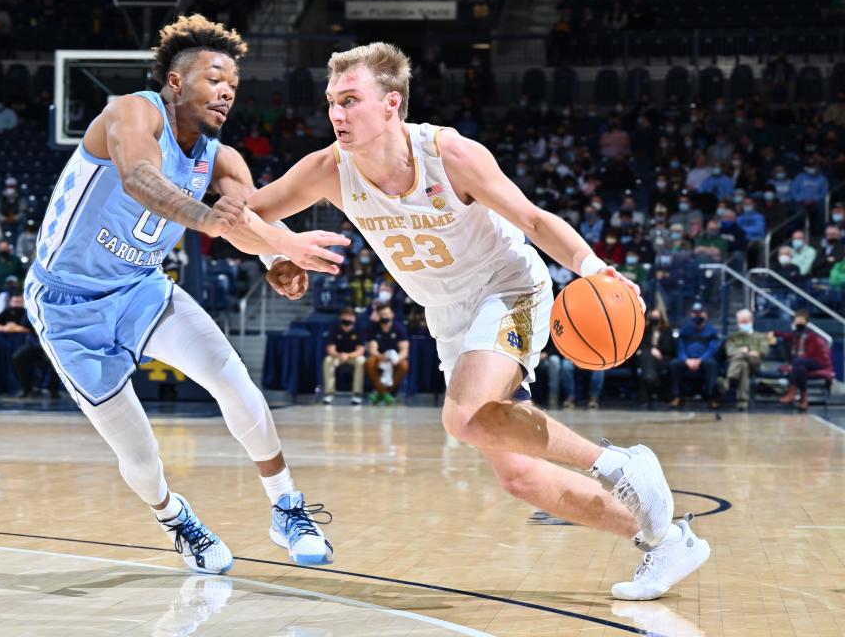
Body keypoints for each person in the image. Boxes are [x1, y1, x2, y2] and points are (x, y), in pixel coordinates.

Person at [247, 41, 709, 600]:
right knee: (523, 477)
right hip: (447, 315)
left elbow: (534, 219)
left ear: (392, 103)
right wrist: (278, 253)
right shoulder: (329, 169)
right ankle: (663, 540)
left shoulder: (450, 154)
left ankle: (622, 464)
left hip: (508, 287)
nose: (336, 115)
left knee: (463, 416)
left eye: (350, 100)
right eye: (331, 103)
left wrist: (594, 267)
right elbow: (248, 214)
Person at [24, 15, 346, 574]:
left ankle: (287, 507)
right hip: (66, 304)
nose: (226, 91)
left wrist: (277, 257)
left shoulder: (223, 159)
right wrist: (215, 223)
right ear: (176, 83)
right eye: (214, 78)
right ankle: (176, 518)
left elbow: (246, 217)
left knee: (230, 375)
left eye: (234, 86)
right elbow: (139, 181)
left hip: (140, 289)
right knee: (139, 454)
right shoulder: (132, 110)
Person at [773, 310, 834, 411]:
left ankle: (791, 393)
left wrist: (794, 363)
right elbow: (783, 335)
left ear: (806, 323)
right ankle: (804, 399)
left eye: (801, 321)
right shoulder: (794, 335)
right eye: (797, 321)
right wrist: (773, 333)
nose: (799, 324)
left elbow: (809, 354)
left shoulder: (811, 336)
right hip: (802, 364)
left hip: (817, 361)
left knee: (797, 363)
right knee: (800, 368)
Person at [669, 303, 720, 410]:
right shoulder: (685, 330)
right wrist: (686, 360)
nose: (697, 316)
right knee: (674, 364)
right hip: (687, 359)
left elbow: (712, 349)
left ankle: (711, 398)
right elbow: (680, 347)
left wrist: (700, 360)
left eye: (700, 313)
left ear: (705, 314)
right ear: (691, 314)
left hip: (703, 360)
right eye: (695, 313)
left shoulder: (712, 331)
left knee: (712, 364)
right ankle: (676, 397)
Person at [723, 309, 770, 411]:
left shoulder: (760, 336)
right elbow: (729, 351)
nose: (743, 324)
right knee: (743, 365)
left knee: (742, 356)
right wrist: (742, 351)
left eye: (745, 322)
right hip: (740, 364)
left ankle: (729, 379)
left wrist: (745, 352)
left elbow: (763, 351)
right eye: (741, 322)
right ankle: (743, 401)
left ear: (751, 320)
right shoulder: (733, 337)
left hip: (754, 363)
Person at [364, 302, 409, 404]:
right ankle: (385, 393)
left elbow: (404, 350)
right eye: (382, 314)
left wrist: (396, 359)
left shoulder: (399, 328)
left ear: (392, 314)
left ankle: (382, 392)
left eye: (387, 313)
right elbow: (372, 349)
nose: (385, 316)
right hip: (380, 358)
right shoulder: (373, 328)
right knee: (369, 362)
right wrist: (381, 356)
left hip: (395, 358)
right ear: (378, 316)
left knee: (404, 365)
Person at [321, 306, 365, 405]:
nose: (347, 319)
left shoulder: (358, 329)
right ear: (341, 317)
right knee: (328, 360)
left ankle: (357, 394)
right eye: (345, 316)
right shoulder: (334, 329)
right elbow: (330, 349)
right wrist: (340, 355)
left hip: (353, 357)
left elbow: (360, 350)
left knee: (361, 360)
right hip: (338, 356)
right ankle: (329, 393)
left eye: (350, 316)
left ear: (354, 318)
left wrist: (348, 355)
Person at [636, 308, 676, 408]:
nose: (655, 319)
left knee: (646, 365)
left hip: (662, 357)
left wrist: (656, 350)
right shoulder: (646, 329)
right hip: (648, 358)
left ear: (661, 318)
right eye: (653, 317)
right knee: (646, 357)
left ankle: (644, 397)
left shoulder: (667, 330)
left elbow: (669, 348)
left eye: (657, 317)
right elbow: (641, 344)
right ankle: (650, 378)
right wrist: (651, 350)